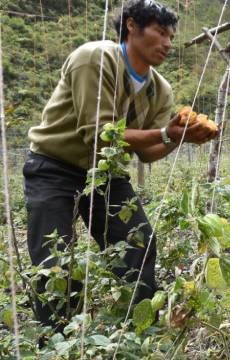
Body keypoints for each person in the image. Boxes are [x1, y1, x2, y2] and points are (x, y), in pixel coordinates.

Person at [24, 0, 214, 330]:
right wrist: (164, 133)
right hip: (53, 166)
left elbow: (149, 152)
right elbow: (98, 136)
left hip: (106, 173)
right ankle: (54, 342)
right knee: (54, 265)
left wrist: (180, 138)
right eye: (160, 32)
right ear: (130, 26)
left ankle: (139, 330)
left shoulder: (160, 89)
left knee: (139, 243)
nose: (168, 43)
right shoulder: (95, 58)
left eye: (171, 35)